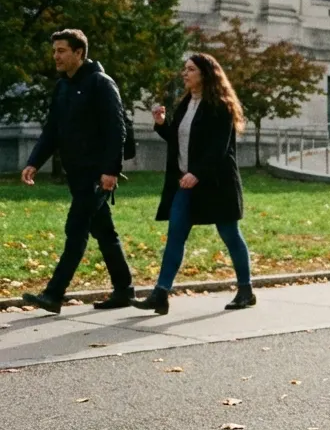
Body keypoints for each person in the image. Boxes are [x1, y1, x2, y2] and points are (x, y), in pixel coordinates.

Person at [19, 30, 136, 315]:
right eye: (55, 50)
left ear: (79, 53)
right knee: (104, 232)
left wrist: (111, 171)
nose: (56, 56)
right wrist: (34, 162)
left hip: (97, 175)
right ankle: (124, 290)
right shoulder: (63, 87)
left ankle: (53, 294)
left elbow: (116, 130)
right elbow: (52, 131)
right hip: (77, 173)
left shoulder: (101, 83)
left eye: (61, 50)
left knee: (76, 229)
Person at [133, 54, 255, 314]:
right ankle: (160, 294)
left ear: (205, 74)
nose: (184, 74)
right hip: (186, 183)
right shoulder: (187, 103)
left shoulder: (220, 105)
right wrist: (162, 125)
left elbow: (218, 148)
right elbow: (180, 141)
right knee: (175, 234)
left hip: (216, 183)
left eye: (190, 69)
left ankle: (246, 290)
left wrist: (197, 173)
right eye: (184, 69)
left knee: (230, 234)